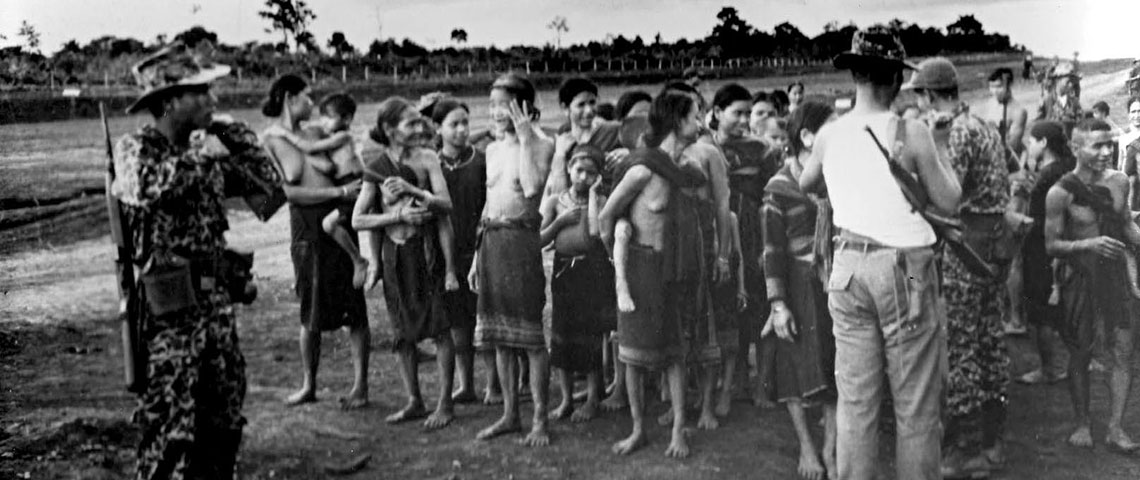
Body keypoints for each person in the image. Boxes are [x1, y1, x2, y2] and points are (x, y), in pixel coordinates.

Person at [113, 41, 281, 480]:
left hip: (216, 310)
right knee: (170, 435)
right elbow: (145, 188)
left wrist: (230, 132)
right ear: (169, 101)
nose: (213, 99)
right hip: (171, 319)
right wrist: (200, 156)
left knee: (224, 425)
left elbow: (269, 189)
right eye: (200, 92)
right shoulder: (137, 148)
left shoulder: (208, 148)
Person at [799, 27, 962, 480]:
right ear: (893, 78)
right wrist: (941, 144)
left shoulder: (831, 134)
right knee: (915, 403)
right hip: (906, 270)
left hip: (848, 267)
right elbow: (949, 200)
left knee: (856, 402)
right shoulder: (911, 131)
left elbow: (806, 184)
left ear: (854, 75)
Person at [906, 57, 1014, 478]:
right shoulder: (984, 125)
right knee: (990, 338)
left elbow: (944, 196)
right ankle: (993, 439)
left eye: (922, 97)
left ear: (930, 95)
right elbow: (1012, 172)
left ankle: (966, 447)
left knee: (964, 343)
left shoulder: (956, 134)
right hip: (993, 244)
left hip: (967, 243)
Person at [601, 91, 707, 458]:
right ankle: (638, 430)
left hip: (674, 270)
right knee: (632, 355)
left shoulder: (682, 168)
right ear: (678, 122)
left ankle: (679, 429)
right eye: (696, 117)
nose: (703, 124)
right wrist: (618, 263)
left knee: (675, 352)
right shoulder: (643, 169)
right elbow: (606, 217)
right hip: (641, 268)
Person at [262, 74, 371, 410]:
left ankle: (361, 386)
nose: (312, 104)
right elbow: (286, 191)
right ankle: (309, 384)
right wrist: (337, 192)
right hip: (307, 228)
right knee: (309, 309)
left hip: (337, 221)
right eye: (307, 97)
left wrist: (342, 192)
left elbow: (345, 153)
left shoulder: (316, 131)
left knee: (355, 309)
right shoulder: (270, 140)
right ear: (289, 98)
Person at [352, 97, 458, 429]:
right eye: (410, 123)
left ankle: (445, 403)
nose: (419, 127)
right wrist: (396, 214)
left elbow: (446, 205)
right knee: (402, 333)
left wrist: (414, 189)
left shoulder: (427, 158)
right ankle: (414, 400)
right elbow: (358, 219)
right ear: (389, 130)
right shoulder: (377, 165)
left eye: (418, 121)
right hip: (394, 256)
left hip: (425, 252)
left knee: (440, 328)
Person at [467, 73, 555, 446]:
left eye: (502, 104)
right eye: (490, 105)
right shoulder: (491, 150)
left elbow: (533, 188)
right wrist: (475, 256)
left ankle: (539, 420)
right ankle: (509, 415)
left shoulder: (542, 142)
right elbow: (490, 202)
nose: (494, 112)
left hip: (521, 242)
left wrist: (523, 137)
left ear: (522, 106)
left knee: (531, 339)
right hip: (492, 242)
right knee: (499, 338)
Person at [1044, 119, 1140, 453]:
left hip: (1114, 277)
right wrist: (1089, 245)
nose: (1105, 151)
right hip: (1080, 280)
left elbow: (1126, 224)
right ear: (1075, 148)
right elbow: (1051, 245)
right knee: (1080, 351)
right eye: (1096, 145)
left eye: (1109, 144)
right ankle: (1083, 423)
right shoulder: (1060, 192)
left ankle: (1115, 427)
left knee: (1124, 351)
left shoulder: (1120, 182)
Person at [761, 101, 839, 480]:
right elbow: (771, 252)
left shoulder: (839, 178)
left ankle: (832, 445)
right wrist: (777, 304)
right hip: (795, 286)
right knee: (792, 363)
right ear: (807, 137)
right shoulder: (778, 189)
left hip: (835, 282)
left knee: (835, 362)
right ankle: (808, 447)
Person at [428, 98, 501, 406]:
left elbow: (493, 200)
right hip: (446, 253)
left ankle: (494, 386)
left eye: (465, 123)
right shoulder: (431, 164)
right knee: (457, 323)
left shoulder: (482, 160)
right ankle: (466, 384)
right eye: (453, 124)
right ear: (438, 128)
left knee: (485, 320)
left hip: (480, 249)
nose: (461, 130)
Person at [708, 83, 771, 418]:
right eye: (738, 113)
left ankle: (757, 383)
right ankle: (728, 381)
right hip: (718, 232)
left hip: (752, 234)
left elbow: (770, 196)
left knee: (755, 305)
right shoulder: (703, 146)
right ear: (717, 113)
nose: (745, 120)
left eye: (749, 112)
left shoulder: (760, 149)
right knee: (722, 306)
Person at [264, 93, 370, 288]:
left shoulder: (343, 136)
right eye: (322, 117)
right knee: (331, 226)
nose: (323, 122)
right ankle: (357, 259)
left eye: (329, 118)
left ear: (346, 119)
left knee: (329, 224)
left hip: (353, 186)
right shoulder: (332, 139)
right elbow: (327, 166)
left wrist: (285, 134)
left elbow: (309, 147)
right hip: (345, 187)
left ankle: (358, 260)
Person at [542, 145, 614, 423]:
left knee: (590, 335)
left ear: (598, 177)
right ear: (569, 168)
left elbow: (596, 233)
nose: (583, 177)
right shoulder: (554, 202)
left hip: (592, 270)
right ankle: (566, 399)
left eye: (591, 173)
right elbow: (539, 239)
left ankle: (593, 398)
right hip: (563, 270)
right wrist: (559, 222)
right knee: (562, 335)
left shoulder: (603, 199)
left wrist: (595, 196)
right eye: (579, 170)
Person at [1016, 121, 1075, 386]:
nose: (1029, 145)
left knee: (1039, 312)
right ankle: (1077, 359)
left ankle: (1048, 368)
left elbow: (1035, 215)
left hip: (1040, 245)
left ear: (1043, 143)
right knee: (1064, 307)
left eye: (1032, 141)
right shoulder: (1066, 167)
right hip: (1065, 241)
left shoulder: (1048, 174)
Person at [546, 77, 623, 196]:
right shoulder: (562, 138)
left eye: (592, 102)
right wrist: (559, 155)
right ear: (565, 108)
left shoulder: (613, 131)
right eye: (581, 105)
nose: (589, 110)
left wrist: (628, 152)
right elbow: (557, 195)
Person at [1037, 62, 1083, 134]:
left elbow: (1080, 123)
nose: (1071, 85)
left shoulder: (1075, 102)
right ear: (1058, 80)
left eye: (1072, 82)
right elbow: (1039, 125)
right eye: (1067, 81)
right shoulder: (1046, 100)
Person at [1119, 97, 1140, 210]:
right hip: (1131, 187)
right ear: (1128, 114)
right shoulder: (1124, 137)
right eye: (1133, 112)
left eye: (1139, 111)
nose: (1137, 115)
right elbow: (1121, 164)